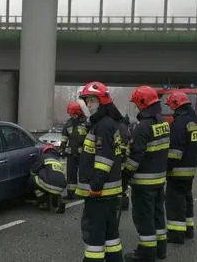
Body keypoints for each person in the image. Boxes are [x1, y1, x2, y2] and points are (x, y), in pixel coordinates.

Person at [74, 81, 124, 262]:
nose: (88, 105)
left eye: (92, 100)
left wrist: (95, 185)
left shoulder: (103, 125)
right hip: (109, 191)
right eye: (87, 101)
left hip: (101, 191)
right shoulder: (107, 123)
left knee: (94, 233)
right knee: (110, 233)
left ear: (102, 101)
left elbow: (104, 159)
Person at [123, 85, 169, 262]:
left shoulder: (142, 127)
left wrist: (126, 174)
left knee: (144, 217)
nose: (136, 107)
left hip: (143, 183)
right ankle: (160, 249)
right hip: (159, 180)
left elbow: (135, 157)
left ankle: (146, 253)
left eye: (136, 103)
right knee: (158, 215)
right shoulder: (163, 124)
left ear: (143, 103)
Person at [164, 91, 197, 244]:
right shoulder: (193, 122)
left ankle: (176, 234)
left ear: (176, 105)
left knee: (174, 200)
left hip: (178, 170)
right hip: (190, 169)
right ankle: (188, 229)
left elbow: (174, 151)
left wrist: (167, 168)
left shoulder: (180, 123)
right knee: (187, 198)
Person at [59, 101, 87, 199]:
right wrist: (62, 148)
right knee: (71, 174)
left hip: (84, 153)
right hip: (71, 154)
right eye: (70, 114)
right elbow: (64, 138)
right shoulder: (68, 123)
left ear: (78, 112)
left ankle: (84, 193)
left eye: (73, 114)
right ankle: (71, 193)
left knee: (84, 174)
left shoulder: (86, 123)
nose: (71, 115)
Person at [30, 144, 67, 213]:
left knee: (33, 179)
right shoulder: (58, 161)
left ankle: (43, 202)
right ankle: (56, 202)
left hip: (51, 185)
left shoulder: (43, 157)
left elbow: (34, 170)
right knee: (51, 184)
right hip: (62, 187)